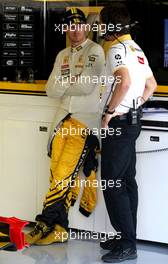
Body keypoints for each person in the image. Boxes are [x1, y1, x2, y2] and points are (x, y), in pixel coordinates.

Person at [25, 8, 105, 246]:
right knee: (56, 176)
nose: (74, 30)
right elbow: (50, 90)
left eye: (78, 25)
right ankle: (60, 229)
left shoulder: (95, 51)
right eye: (70, 26)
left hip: (84, 123)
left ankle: (44, 223)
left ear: (85, 27)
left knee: (63, 176)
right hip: (61, 120)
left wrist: (64, 83)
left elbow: (86, 87)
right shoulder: (62, 54)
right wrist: (70, 81)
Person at [100, 4, 157, 263]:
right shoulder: (136, 48)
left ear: (110, 27)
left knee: (112, 183)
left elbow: (123, 81)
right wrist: (137, 105)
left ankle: (126, 244)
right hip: (133, 122)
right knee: (126, 181)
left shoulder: (116, 50)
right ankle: (127, 237)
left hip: (120, 124)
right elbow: (151, 84)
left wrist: (110, 112)